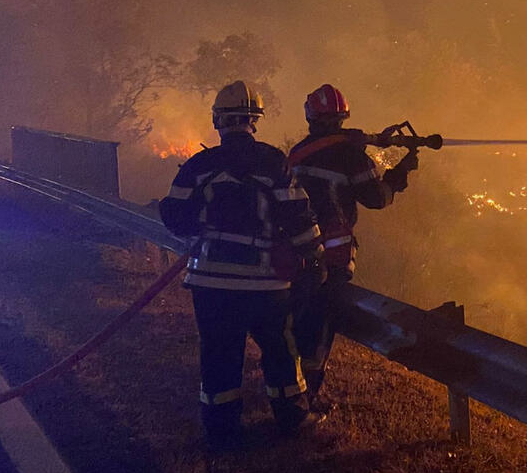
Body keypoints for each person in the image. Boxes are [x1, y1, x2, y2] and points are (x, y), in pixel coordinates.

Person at [159, 80, 325, 451]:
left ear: (218, 120)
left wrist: (203, 231)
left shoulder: (200, 165)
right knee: (281, 351)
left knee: (219, 353)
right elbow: (300, 216)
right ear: (255, 121)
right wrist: (313, 258)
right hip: (266, 285)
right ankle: (293, 420)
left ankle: (222, 431)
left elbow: (173, 215)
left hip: (211, 282)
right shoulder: (273, 162)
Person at [289, 84, 418, 409]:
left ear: (310, 117)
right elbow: (376, 198)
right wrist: (400, 173)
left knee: (294, 317)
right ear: (343, 117)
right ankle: (307, 395)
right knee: (321, 321)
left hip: (292, 252)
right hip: (331, 254)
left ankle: (286, 384)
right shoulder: (351, 155)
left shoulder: (298, 152)